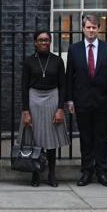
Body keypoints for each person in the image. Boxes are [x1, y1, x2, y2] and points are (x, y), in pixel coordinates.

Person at [65, 14, 107, 187]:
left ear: (99, 29)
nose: (91, 30)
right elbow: (69, 77)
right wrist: (70, 100)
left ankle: (103, 171)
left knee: (102, 138)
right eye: (88, 27)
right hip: (82, 101)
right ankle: (86, 171)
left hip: (104, 102)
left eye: (94, 27)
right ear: (83, 28)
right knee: (85, 138)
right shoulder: (74, 49)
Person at [22, 30, 69, 187]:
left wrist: (60, 108)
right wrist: (25, 111)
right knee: (35, 138)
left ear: (50, 42)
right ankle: (35, 174)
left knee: (50, 139)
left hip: (52, 99)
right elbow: (23, 87)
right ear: (35, 42)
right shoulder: (29, 61)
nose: (44, 43)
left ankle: (52, 174)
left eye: (46, 40)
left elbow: (63, 86)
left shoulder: (57, 61)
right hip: (34, 98)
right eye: (40, 40)